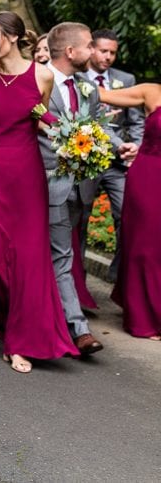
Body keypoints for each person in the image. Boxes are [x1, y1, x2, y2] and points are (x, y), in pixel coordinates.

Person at [0, 11, 78, 373]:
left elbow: (39, 118)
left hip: (27, 175)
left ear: (12, 37)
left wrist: (67, 142)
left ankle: (17, 338)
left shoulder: (42, 75)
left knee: (27, 259)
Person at [39, 22, 129, 355]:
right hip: (46, 184)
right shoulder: (37, 80)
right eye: (90, 46)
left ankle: (56, 320)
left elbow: (94, 129)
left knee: (64, 254)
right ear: (70, 51)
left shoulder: (86, 85)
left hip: (81, 186)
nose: (94, 51)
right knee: (61, 256)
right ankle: (78, 328)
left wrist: (116, 147)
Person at [98, 82, 161, 340]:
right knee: (145, 248)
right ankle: (145, 317)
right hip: (149, 177)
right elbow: (97, 96)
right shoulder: (152, 91)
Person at [88, 28, 144, 281]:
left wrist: (136, 149)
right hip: (86, 161)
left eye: (112, 52)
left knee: (129, 216)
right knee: (79, 220)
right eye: (103, 51)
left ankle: (118, 275)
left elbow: (137, 121)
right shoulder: (77, 79)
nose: (108, 57)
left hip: (119, 164)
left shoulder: (127, 79)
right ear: (91, 49)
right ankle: (77, 281)